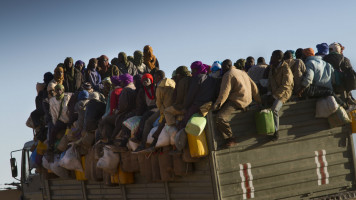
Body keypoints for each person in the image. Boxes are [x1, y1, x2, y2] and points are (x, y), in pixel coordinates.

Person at [213, 59, 261, 148]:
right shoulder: (242, 72)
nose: (222, 70)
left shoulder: (228, 75)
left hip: (238, 100)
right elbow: (254, 87)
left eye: (223, 68)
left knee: (220, 117)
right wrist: (259, 101)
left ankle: (230, 139)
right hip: (248, 100)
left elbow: (224, 93)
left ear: (227, 66)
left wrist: (217, 106)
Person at [178, 61, 216, 130]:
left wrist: (185, 107)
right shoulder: (210, 78)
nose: (192, 73)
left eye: (193, 70)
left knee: (184, 123)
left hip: (198, 105)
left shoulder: (197, 78)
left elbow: (191, 94)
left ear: (197, 69)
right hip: (209, 104)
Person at [268, 50, 294, 141]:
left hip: (284, 93)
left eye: (273, 56)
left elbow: (286, 85)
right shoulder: (272, 68)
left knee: (274, 109)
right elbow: (270, 82)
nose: (271, 58)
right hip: (275, 92)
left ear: (278, 58)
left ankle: (276, 132)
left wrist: (274, 96)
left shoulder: (285, 68)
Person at [47, 84, 73, 161]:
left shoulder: (68, 96)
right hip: (60, 121)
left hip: (69, 121)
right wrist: (55, 124)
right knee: (53, 133)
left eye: (60, 89)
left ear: (63, 90)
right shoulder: (52, 101)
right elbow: (53, 114)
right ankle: (51, 149)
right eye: (57, 90)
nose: (58, 91)